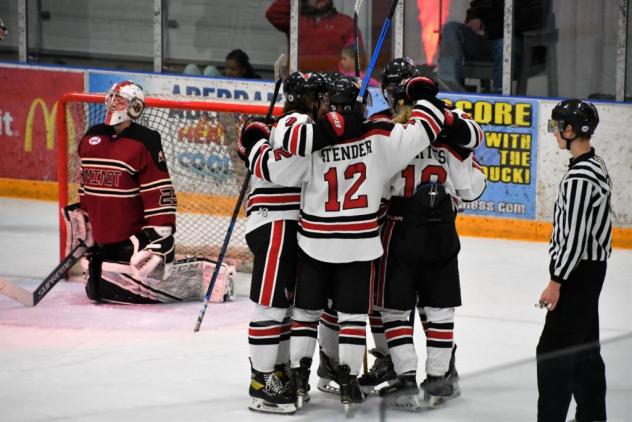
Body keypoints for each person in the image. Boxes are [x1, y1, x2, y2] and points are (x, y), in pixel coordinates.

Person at [241, 75, 460, 415]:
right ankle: (343, 378)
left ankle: (298, 374)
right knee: (349, 315)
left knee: (303, 313)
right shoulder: (378, 136)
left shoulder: (311, 137)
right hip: (355, 242)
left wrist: (255, 144)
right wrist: (429, 100)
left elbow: (277, 168)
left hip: (310, 239)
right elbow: (424, 132)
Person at [242, 71, 352, 415]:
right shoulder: (294, 121)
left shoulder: (294, 124)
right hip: (275, 222)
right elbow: (286, 168)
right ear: (308, 98)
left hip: (294, 226)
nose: (326, 103)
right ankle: (261, 381)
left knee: (290, 310)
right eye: (321, 97)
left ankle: (278, 371)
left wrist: (256, 148)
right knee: (272, 307)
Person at [73, 80, 219, 304]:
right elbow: (85, 188)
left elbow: (160, 192)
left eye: (119, 99)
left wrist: (159, 235)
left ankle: (192, 269)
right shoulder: (92, 138)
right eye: (111, 97)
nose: (112, 103)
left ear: (135, 107)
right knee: (97, 292)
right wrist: (85, 221)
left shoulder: (144, 141)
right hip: (102, 240)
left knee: (136, 279)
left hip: (132, 241)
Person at [536, 99, 611, 422]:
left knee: (552, 353)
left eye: (558, 127)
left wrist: (556, 281)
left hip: (577, 274)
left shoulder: (580, 178)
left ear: (570, 130)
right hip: (590, 271)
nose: (554, 133)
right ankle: (592, 415)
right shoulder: (595, 164)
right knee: (584, 349)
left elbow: (575, 239)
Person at [437, 0, 545, 92]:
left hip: (517, 41)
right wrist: (473, 19)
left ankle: (499, 97)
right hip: (485, 40)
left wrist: (488, 28)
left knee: (504, 44)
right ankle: (448, 88)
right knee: (451, 28)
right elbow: (475, 8)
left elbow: (531, 21)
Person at [266, 0, 363, 72]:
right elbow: (273, 13)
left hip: (333, 86)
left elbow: (357, 59)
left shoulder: (346, 23)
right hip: (298, 85)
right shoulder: (295, 20)